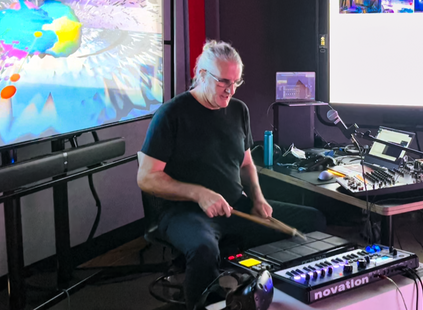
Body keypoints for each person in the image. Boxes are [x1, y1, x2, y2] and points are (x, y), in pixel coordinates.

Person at [137, 40, 326, 310]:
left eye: (236, 82)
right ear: (202, 76)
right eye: (224, 81)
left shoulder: (238, 110)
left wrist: (258, 199)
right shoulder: (171, 115)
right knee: (204, 250)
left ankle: (280, 297)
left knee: (313, 221)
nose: (231, 89)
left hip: (236, 206)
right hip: (184, 213)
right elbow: (146, 177)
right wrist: (199, 193)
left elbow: (246, 164)